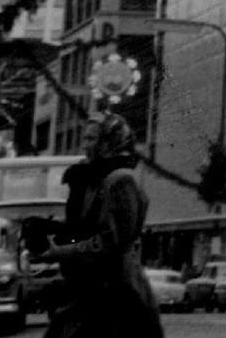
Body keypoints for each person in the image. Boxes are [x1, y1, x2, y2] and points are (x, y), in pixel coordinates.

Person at [26, 113, 162, 338]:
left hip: (115, 297)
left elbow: (111, 242)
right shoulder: (95, 179)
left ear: (108, 143)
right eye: (84, 139)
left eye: (91, 139)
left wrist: (58, 251)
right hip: (93, 291)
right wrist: (53, 231)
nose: (85, 146)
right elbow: (85, 230)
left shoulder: (120, 180)